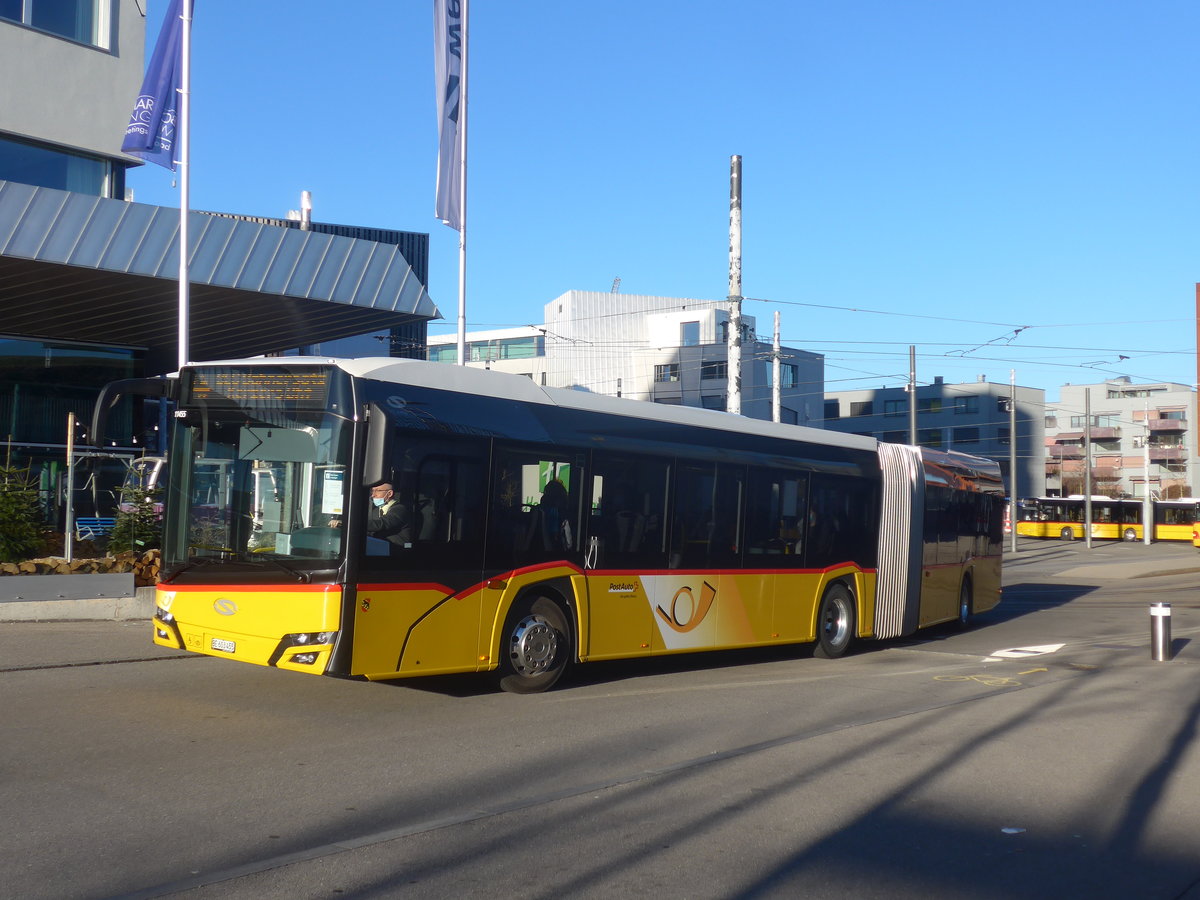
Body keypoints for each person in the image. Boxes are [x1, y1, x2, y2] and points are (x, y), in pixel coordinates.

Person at [366, 482, 413, 547]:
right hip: (381, 546)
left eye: (377, 491)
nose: (373, 495)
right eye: (373, 491)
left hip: (401, 549)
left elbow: (382, 524)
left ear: (389, 493)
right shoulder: (375, 511)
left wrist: (356, 524)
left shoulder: (400, 509)